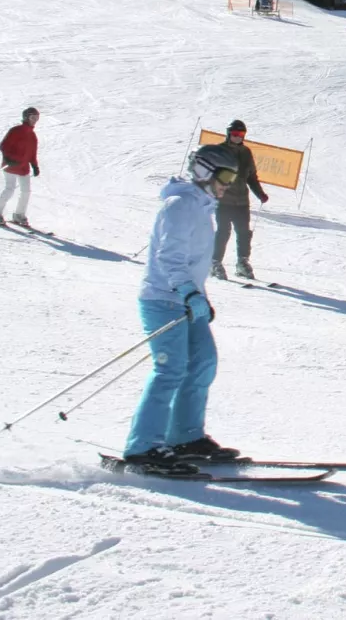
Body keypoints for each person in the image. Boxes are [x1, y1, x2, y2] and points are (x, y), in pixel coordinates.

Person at [120, 143, 241, 474]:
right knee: (170, 370)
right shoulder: (179, 205)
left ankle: (184, 438)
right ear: (203, 171)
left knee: (203, 362)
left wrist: (199, 295)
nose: (228, 183)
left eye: (233, 176)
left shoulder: (202, 208)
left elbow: (193, 262)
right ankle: (143, 447)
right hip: (163, 299)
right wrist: (189, 292)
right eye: (226, 175)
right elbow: (169, 256)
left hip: (188, 301)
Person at [210, 120, 269, 282]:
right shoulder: (220, 151)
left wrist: (260, 194)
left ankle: (242, 263)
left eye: (241, 135)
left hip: (242, 201)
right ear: (229, 134)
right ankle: (215, 263)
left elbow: (251, 176)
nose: (237, 138)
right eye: (235, 134)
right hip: (223, 201)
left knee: (244, 233)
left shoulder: (246, 152)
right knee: (223, 232)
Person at [0, 107, 40, 227]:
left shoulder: (32, 135)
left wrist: (35, 165)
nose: (35, 120)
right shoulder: (16, 130)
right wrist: (9, 159)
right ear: (26, 117)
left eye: (37, 118)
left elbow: (32, 153)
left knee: (26, 192)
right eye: (33, 117)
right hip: (10, 165)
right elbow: (4, 146)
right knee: (9, 189)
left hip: (23, 168)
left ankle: (19, 215)